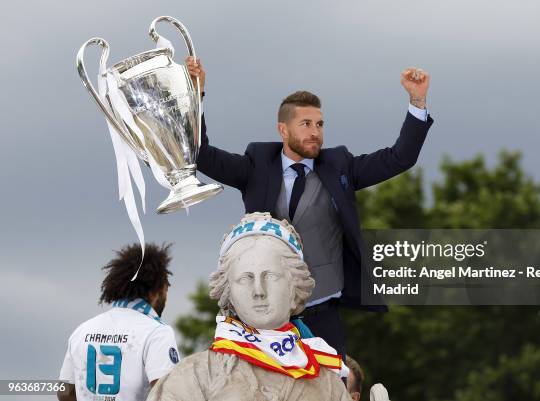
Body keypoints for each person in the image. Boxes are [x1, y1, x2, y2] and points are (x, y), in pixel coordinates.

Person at [186, 56, 433, 357]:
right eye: (305, 124)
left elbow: (400, 158)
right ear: (283, 129)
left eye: (319, 124)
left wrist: (417, 102)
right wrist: (196, 92)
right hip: (264, 318)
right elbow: (203, 154)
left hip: (323, 315)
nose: (315, 131)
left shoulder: (340, 165)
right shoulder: (256, 165)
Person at [147, 213, 351, 401]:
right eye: (245, 278)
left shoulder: (329, 385)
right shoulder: (194, 378)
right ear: (229, 293)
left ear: (295, 287)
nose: (258, 291)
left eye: (271, 276)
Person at [57, 243, 180, 401]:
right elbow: (167, 395)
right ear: (159, 289)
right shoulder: (157, 332)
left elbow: (65, 392)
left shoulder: (82, 331)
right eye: (166, 288)